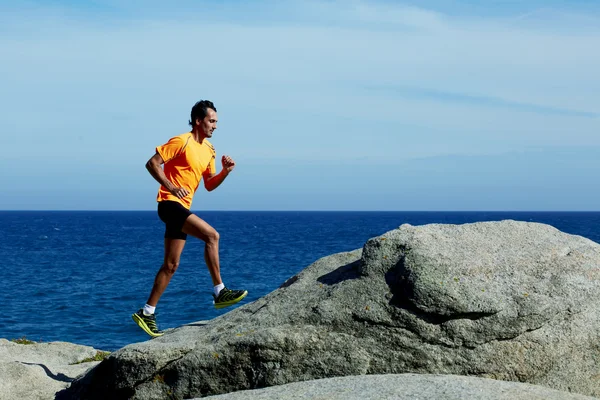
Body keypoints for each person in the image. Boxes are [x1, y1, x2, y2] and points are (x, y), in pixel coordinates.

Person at [132, 100, 247, 338]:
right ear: (198, 120)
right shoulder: (181, 141)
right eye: (211, 121)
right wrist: (171, 187)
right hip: (169, 204)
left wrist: (225, 172)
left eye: (216, 122)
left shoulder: (209, 150)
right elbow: (152, 164)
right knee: (212, 236)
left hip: (181, 206)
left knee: (171, 266)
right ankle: (219, 291)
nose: (215, 126)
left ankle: (146, 312)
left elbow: (209, 185)